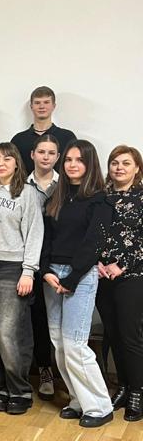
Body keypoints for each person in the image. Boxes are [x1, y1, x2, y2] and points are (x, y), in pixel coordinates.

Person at [41, 139, 114, 428]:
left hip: (80, 277)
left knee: (74, 345)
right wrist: (45, 271)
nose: (72, 164)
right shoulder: (56, 197)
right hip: (52, 277)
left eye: (79, 160)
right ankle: (78, 400)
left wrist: (71, 279)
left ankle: (100, 406)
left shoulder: (100, 200)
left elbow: (93, 244)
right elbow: (47, 238)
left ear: (90, 164)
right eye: (68, 159)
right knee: (59, 345)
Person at [0, 142, 43, 415]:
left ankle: (20, 390)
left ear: (17, 163)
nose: (1, 163)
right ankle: (2, 386)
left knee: (8, 331)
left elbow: (35, 232)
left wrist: (28, 271)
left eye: (7, 159)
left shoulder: (27, 193)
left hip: (12, 268)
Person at [96, 145, 143, 423]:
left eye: (126, 163)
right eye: (114, 162)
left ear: (137, 168)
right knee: (112, 334)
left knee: (129, 335)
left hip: (133, 277)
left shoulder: (142, 197)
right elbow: (92, 233)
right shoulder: (101, 196)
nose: (119, 167)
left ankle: (137, 391)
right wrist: (97, 262)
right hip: (102, 276)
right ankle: (123, 387)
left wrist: (121, 264)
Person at [26, 134, 60, 401]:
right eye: (41, 152)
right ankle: (44, 369)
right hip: (30, 260)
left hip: (58, 260)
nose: (46, 157)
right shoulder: (22, 185)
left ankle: (68, 374)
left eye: (51, 153)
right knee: (37, 318)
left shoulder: (66, 184)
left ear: (57, 157)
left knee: (59, 322)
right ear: (33, 155)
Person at [11, 86, 76, 173]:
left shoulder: (67, 137)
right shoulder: (18, 140)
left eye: (46, 102)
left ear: (54, 106)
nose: (41, 106)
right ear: (31, 106)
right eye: (37, 103)